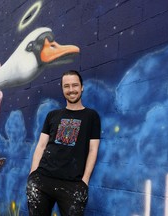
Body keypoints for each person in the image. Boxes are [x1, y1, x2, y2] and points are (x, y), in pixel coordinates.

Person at [26, 70, 101, 216]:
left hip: (73, 185)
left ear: (82, 87)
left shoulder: (92, 116)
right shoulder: (52, 115)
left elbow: (93, 150)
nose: (71, 90)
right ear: (62, 89)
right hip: (42, 180)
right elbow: (41, 145)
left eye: (75, 85)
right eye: (67, 86)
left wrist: (84, 181)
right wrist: (33, 174)